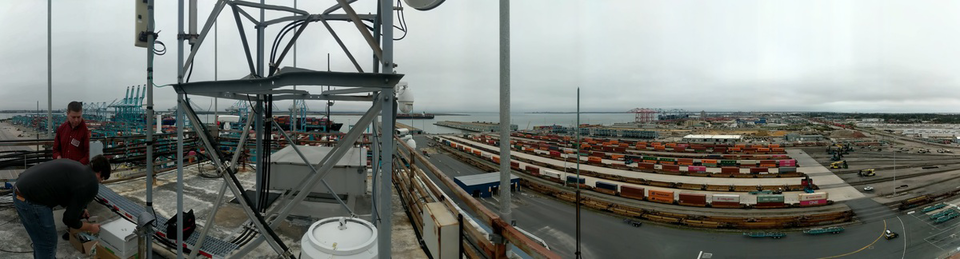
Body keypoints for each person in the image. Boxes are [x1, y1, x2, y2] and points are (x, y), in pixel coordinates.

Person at [13, 155, 111, 259]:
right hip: (31, 201)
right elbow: (69, 220)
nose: (100, 182)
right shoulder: (91, 183)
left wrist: (82, 208)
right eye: (102, 179)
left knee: (41, 241)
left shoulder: (80, 168)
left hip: (21, 190)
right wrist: (91, 227)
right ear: (100, 173)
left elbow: (73, 191)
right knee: (47, 242)